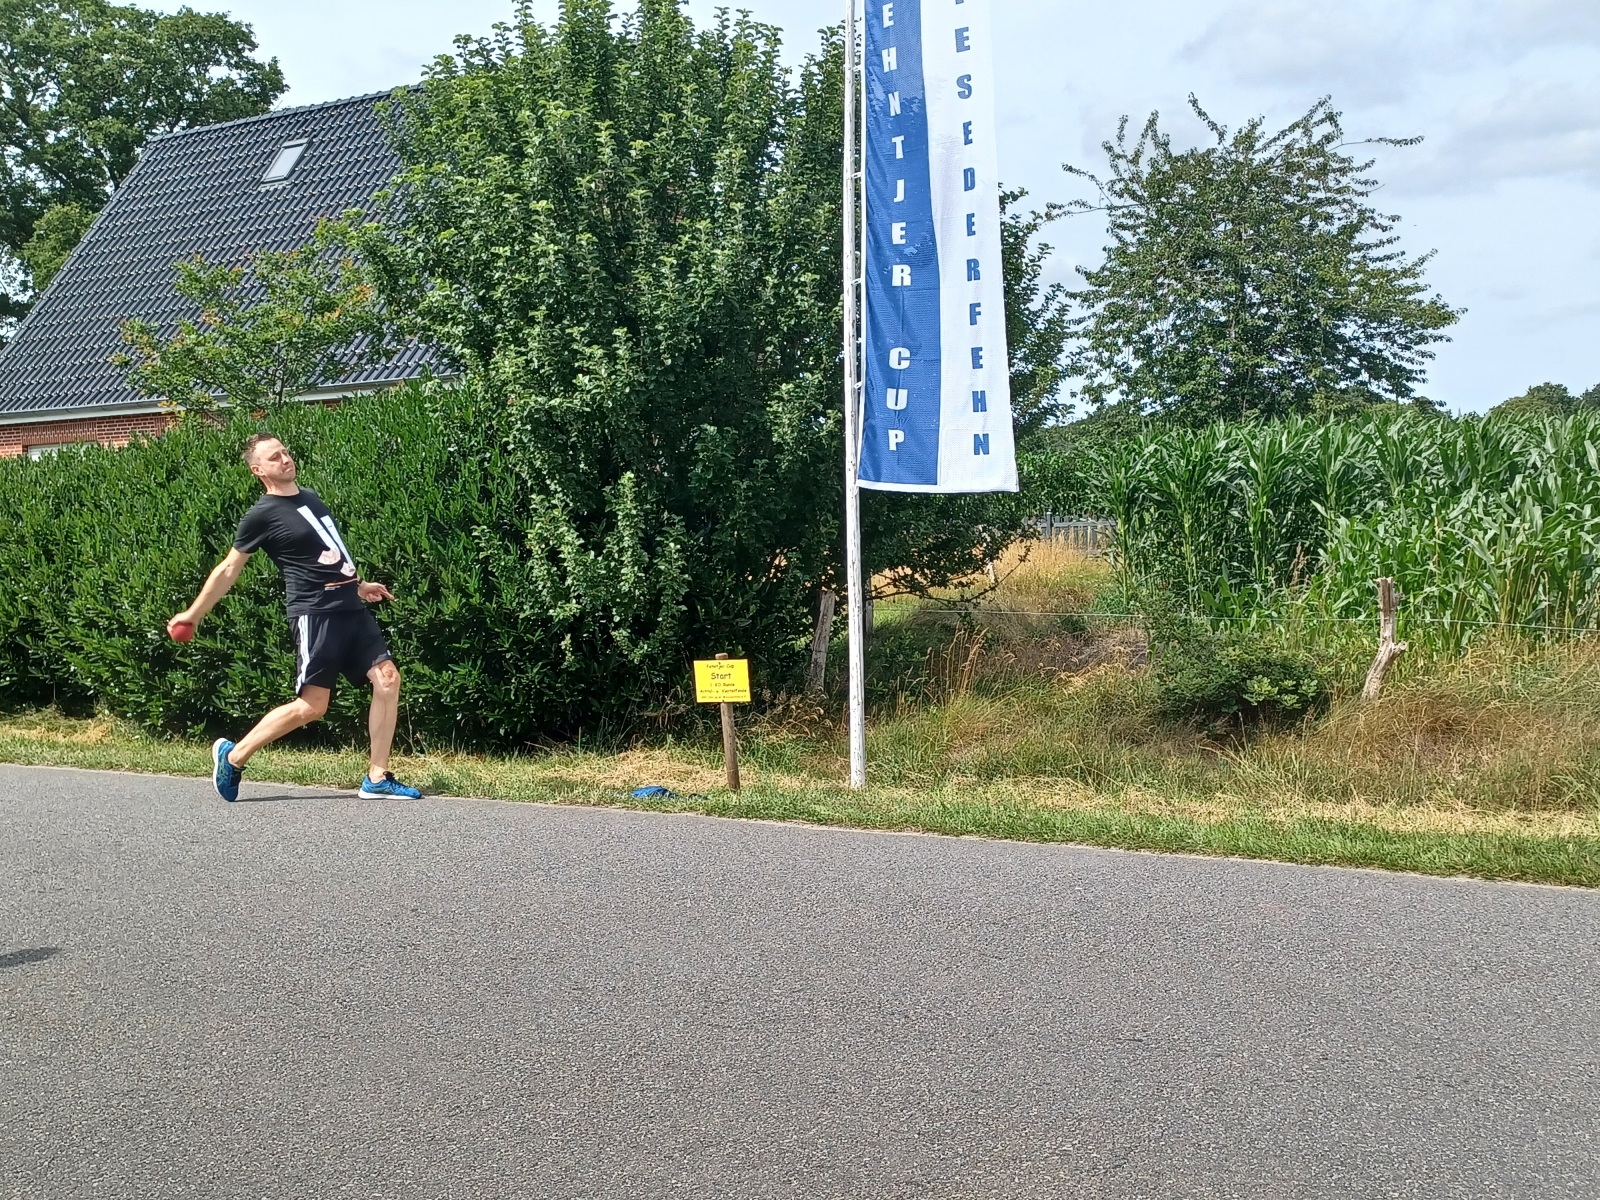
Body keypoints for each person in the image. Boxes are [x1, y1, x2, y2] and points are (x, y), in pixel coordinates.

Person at [168, 433, 423, 803]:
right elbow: (229, 569)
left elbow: (328, 553)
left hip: (351, 608)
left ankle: (377, 776)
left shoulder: (311, 498)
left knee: (388, 679)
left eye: (285, 452)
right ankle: (234, 756)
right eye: (275, 457)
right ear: (258, 470)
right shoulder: (261, 515)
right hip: (315, 614)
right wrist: (192, 615)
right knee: (312, 707)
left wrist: (359, 585)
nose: (285, 459)